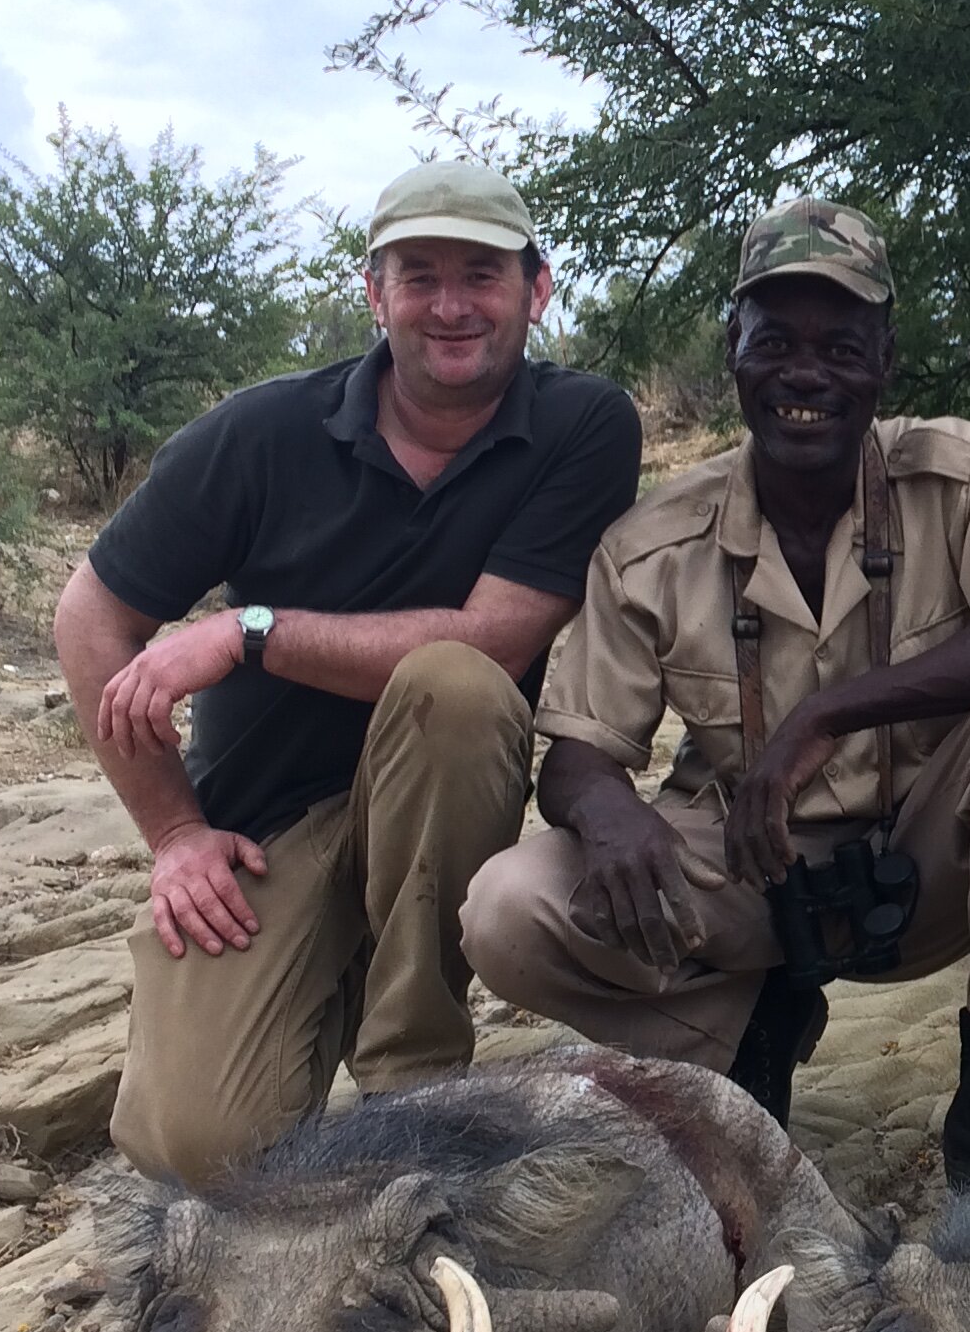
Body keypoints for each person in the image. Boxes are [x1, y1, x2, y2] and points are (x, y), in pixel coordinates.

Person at [460, 198, 970, 1179]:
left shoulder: (958, 470)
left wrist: (830, 710)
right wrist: (608, 815)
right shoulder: (651, 542)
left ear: (886, 360)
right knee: (505, 907)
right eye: (775, 342)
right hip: (747, 868)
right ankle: (742, 1041)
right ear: (733, 348)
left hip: (925, 862)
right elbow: (579, 754)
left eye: (842, 347)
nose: (806, 374)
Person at [56, 160, 640, 1187]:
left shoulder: (583, 426)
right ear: (373, 293)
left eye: (482, 274)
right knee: (200, 1148)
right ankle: (312, 987)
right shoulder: (260, 431)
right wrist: (175, 833)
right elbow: (91, 615)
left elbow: (497, 641)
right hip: (265, 828)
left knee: (457, 685)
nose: (451, 306)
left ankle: (410, 1087)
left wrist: (251, 631)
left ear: (536, 290)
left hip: (441, 802)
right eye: (419, 276)